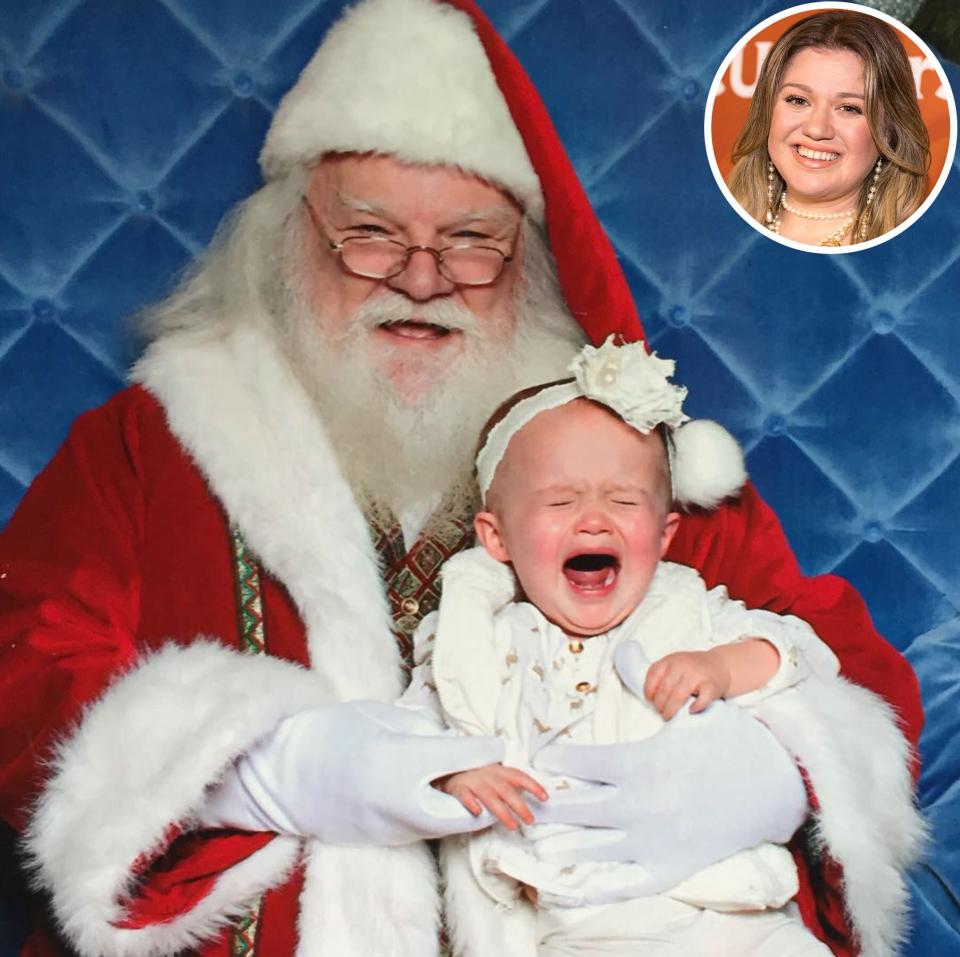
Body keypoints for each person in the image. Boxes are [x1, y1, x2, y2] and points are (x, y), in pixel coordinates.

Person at [0, 1, 922, 956]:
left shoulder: (609, 445)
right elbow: (25, 657)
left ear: (528, 263)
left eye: (473, 241)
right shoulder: (152, 437)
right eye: (369, 233)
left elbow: (839, 651)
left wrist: (767, 765)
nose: (422, 277)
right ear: (284, 242)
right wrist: (262, 766)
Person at [403, 339, 844, 955]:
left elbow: (804, 652)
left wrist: (722, 666)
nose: (593, 520)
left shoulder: (686, 609)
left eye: (623, 500)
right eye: (560, 501)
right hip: (583, 924)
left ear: (664, 535)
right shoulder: (480, 636)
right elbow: (408, 738)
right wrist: (455, 772)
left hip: (737, 912)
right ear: (496, 538)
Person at [727, 9, 930, 247]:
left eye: (848, 108)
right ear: (767, 110)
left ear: (889, 130)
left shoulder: (917, 253)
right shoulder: (713, 228)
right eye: (798, 100)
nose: (816, 129)